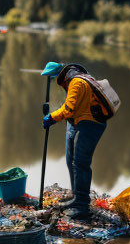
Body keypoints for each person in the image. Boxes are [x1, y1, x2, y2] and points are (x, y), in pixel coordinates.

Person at [42, 63, 106, 221]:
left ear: (61, 76)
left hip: (92, 124)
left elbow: (69, 109)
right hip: (83, 122)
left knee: (81, 163)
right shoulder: (77, 80)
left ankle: (83, 207)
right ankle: (77, 198)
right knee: (72, 160)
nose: (56, 82)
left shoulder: (76, 83)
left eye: (55, 78)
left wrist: (52, 117)